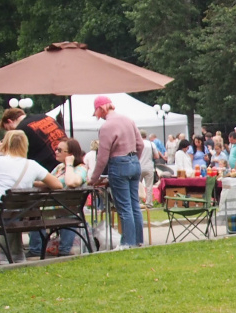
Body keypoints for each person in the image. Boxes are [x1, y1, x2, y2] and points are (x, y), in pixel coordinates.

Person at [0, 130, 63, 261]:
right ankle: (16, 256)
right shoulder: (33, 165)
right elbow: (57, 184)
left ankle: (6, 256)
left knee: (4, 211)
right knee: (12, 213)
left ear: (6, 143)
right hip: (21, 215)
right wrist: (33, 182)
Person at [89, 95, 144, 249]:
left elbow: (102, 157)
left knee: (124, 206)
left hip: (118, 164)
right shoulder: (128, 120)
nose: (98, 117)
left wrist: (94, 179)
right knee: (134, 205)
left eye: (97, 112)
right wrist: (133, 160)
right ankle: (138, 241)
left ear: (101, 109)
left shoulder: (106, 127)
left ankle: (127, 243)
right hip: (134, 163)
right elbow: (140, 145)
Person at [50, 138, 89, 256]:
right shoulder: (59, 168)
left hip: (67, 209)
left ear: (70, 154)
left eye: (60, 150)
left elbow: (71, 182)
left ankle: (64, 251)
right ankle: (36, 249)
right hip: (53, 208)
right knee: (34, 215)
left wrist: (69, 164)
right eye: (56, 149)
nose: (56, 152)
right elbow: (47, 181)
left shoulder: (80, 168)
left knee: (36, 215)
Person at [0, 107, 66, 171]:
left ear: (10, 121)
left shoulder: (20, 130)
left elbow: (16, 157)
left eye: (8, 129)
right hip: (65, 160)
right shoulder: (45, 117)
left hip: (47, 167)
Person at [139, 131, 159, 207]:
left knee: (138, 186)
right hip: (149, 166)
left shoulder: (137, 144)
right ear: (146, 136)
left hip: (139, 167)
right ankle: (149, 203)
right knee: (149, 186)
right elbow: (157, 156)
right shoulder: (151, 144)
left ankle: (138, 202)